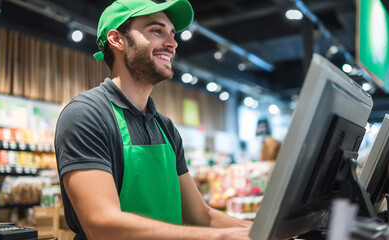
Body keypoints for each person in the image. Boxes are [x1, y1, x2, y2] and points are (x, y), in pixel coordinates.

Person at [54, 0, 252, 239]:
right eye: (156, 31)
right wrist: (220, 237)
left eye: (172, 34)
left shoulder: (165, 127)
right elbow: (101, 224)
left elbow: (199, 215)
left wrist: (259, 230)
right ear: (118, 40)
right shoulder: (86, 115)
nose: (172, 43)